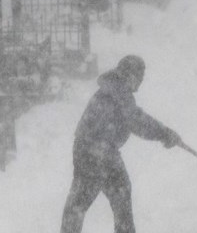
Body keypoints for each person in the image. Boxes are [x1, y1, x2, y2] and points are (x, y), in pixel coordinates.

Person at [61, 55, 181, 233]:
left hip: (86, 149)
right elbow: (136, 120)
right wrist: (164, 133)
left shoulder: (112, 88)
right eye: (139, 76)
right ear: (130, 75)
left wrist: (164, 133)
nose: (140, 81)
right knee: (119, 196)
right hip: (100, 152)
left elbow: (133, 116)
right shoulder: (119, 90)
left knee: (79, 203)